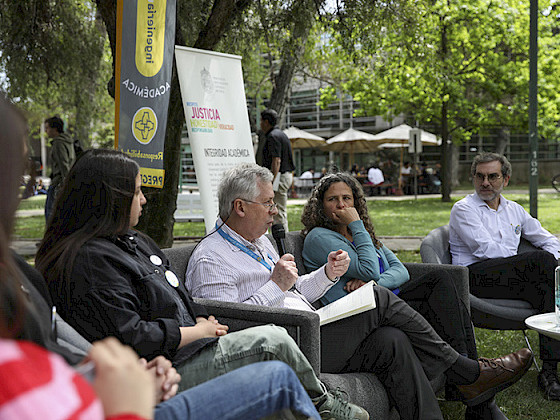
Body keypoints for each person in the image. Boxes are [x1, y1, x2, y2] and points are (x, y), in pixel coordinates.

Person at [185, 162, 533, 420]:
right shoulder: (211, 258)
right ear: (241, 207)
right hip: (291, 344)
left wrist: (325, 274)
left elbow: (297, 290)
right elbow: (227, 327)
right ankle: (466, 372)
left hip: (312, 325)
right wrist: (275, 284)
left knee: (392, 340)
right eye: (268, 203)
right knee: (378, 297)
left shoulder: (258, 241)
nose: (275, 212)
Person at [35, 148, 363, 420]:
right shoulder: (91, 260)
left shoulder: (133, 240)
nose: (144, 201)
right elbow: (131, 335)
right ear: (111, 198)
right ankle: (324, 405)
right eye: (136, 191)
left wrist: (199, 321)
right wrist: (196, 331)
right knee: (272, 341)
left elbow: (176, 297)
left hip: (190, 348)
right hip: (170, 364)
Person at [300, 172, 510, 419]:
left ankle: (469, 379)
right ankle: (469, 379)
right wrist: (357, 227)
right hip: (354, 317)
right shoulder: (320, 237)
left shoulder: (362, 234)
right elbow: (368, 268)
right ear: (320, 206)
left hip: (384, 305)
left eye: (347, 198)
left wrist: (372, 281)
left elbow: (400, 271)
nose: (342, 205)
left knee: (441, 280)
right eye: (332, 199)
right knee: (403, 323)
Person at [449, 152, 560, 401]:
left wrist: (554, 263)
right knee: (543, 263)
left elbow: (547, 239)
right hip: (475, 277)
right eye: (480, 176)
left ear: (505, 179)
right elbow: (486, 251)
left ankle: (550, 372)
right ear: (474, 178)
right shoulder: (464, 209)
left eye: (492, 176)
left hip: (510, 278)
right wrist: (545, 263)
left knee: (548, 290)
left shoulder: (514, 210)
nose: (485, 182)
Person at [260, 108, 295, 232]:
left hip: (278, 177)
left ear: (266, 122)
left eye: (261, 121)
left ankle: (282, 242)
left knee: (278, 211)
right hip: (284, 175)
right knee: (278, 210)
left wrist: (271, 180)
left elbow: (276, 160)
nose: (260, 124)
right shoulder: (281, 134)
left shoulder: (273, 136)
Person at [44, 116, 75, 221]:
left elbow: (64, 164)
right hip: (65, 180)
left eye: (47, 128)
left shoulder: (58, 143)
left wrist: (66, 183)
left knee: (50, 211)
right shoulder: (68, 141)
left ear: (55, 129)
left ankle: (51, 235)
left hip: (58, 181)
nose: (46, 131)